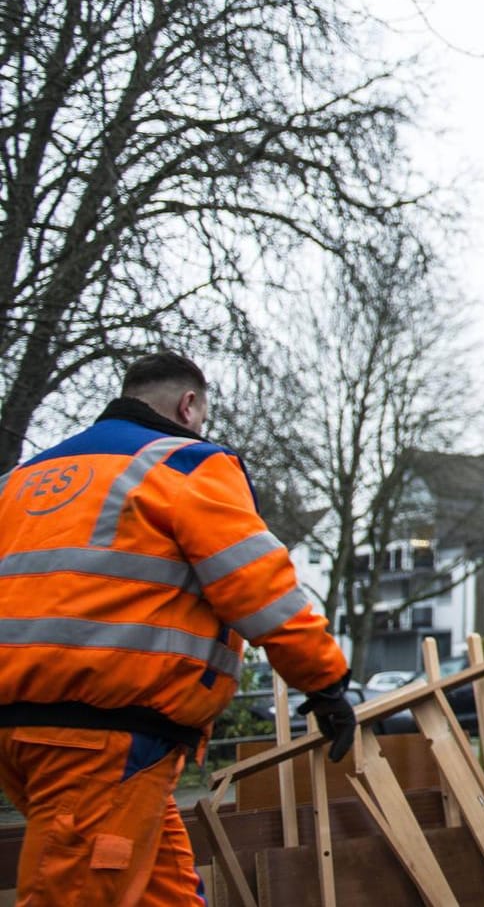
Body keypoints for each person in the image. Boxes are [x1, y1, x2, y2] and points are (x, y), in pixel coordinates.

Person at [0, 353, 357, 905]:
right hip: (105, 740)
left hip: (23, 734)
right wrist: (326, 682)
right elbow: (260, 586)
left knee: (163, 891)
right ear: (189, 405)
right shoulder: (187, 464)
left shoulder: (24, 479)